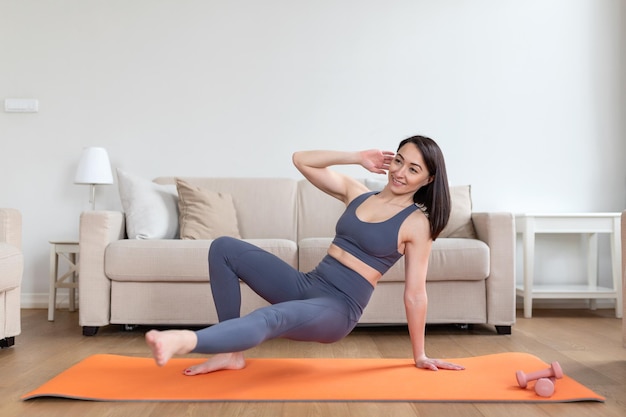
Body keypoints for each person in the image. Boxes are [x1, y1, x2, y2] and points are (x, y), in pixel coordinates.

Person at [146, 135, 465, 374]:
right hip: (307, 284)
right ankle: (232, 354)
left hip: (338, 308)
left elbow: (415, 295)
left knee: (269, 317)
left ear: (428, 179)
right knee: (224, 247)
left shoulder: (417, 223)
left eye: (413, 169)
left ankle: (186, 341)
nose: (400, 172)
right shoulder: (357, 193)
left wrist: (420, 355)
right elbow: (301, 159)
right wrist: (356, 157)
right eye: (398, 160)